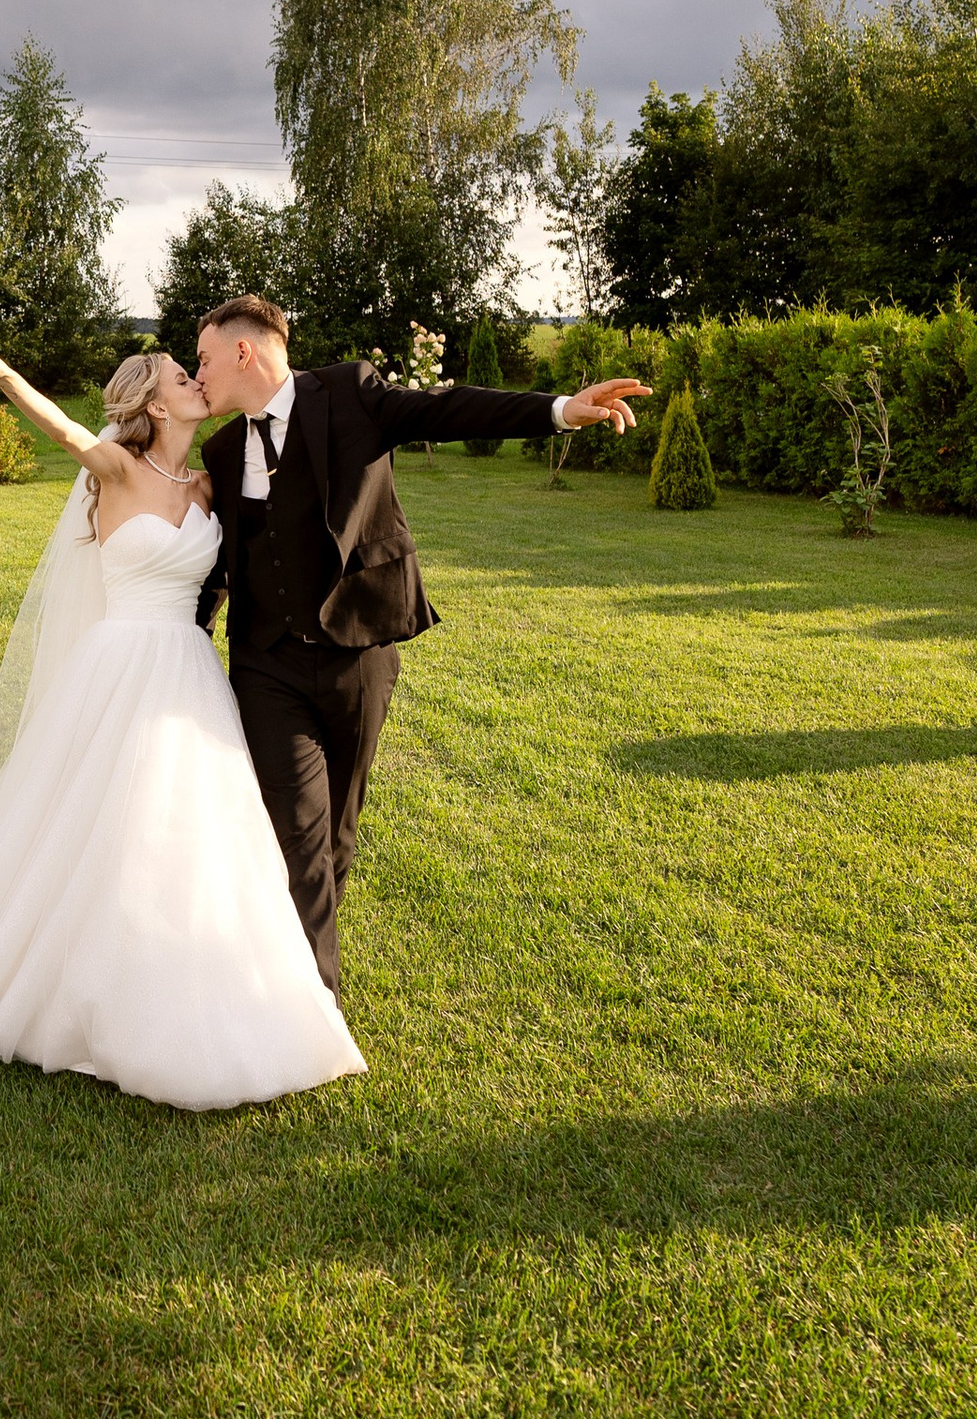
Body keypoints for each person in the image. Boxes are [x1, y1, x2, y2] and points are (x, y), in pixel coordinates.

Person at [0, 331, 368, 1110]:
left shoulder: (210, 484)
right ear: (156, 404)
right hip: (118, 667)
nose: (196, 381)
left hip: (188, 669)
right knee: (103, 816)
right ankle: (81, 969)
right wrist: (3, 373)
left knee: (188, 829)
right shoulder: (117, 468)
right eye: (183, 377)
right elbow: (63, 430)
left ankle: (189, 962)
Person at [191, 296, 648, 994]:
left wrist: (559, 410)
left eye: (203, 358)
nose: (198, 374)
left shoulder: (348, 394)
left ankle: (297, 971)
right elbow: (224, 561)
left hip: (359, 652)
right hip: (266, 665)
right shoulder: (222, 451)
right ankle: (312, 1009)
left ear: (243, 351)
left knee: (336, 838)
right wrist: (179, 636)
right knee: (297, 840)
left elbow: (448, 408)